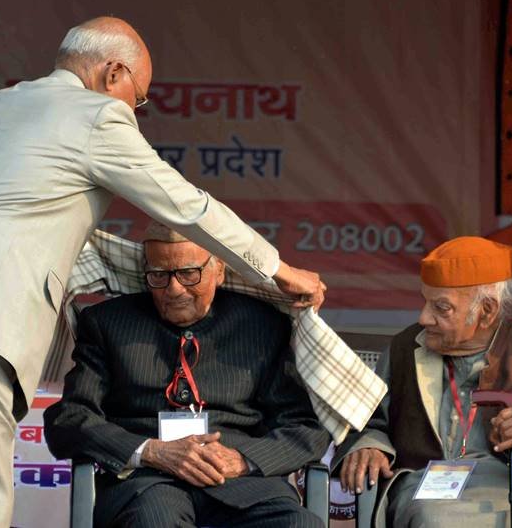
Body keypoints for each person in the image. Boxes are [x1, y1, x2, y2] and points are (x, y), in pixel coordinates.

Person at [0, 17, 325, 528]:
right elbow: (187, 207)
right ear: (113, 73)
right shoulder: (93, 116)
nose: (135, 114)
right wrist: (276, 269)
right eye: (139, 100)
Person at [43, 223, 330, 527]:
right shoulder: (107, 323)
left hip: (244, 486)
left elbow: (305, 428)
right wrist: (150, 452)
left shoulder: (262, 324)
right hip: (146, 484)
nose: (174, 289)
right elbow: (69, 419)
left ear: (218, 269)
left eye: (189, 273)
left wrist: (241, 459)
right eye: (159, 275)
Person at [333, 237, 512, 528]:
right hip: (433, 491)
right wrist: (370, 445)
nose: (423, 318)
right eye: (425, 302)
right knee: (435, 520)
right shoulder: (405, 351)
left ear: (487, 311)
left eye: (441, 308)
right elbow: (366, 420)